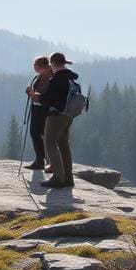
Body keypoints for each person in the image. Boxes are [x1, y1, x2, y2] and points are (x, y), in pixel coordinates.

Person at [32, 52, 79, 188]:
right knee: (64, 145)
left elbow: (51, 98)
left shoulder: (58, 78)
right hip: (68, 115)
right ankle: (68, 178)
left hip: (56, 115)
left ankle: (58, 177)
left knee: (50, 144)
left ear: (53, 64)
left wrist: (38, 98)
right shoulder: (70, 77)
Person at [23, 56, 51, 170]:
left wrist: (32, 94)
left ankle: (41, 160)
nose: (34, 66)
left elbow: (42, 93)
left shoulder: (46, 76)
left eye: (35, 64)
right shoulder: (45, 75)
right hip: (40, 107)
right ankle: (42, 159)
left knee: (36, 133)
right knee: (40, 134)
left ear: (40, 66)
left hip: (42, 108)